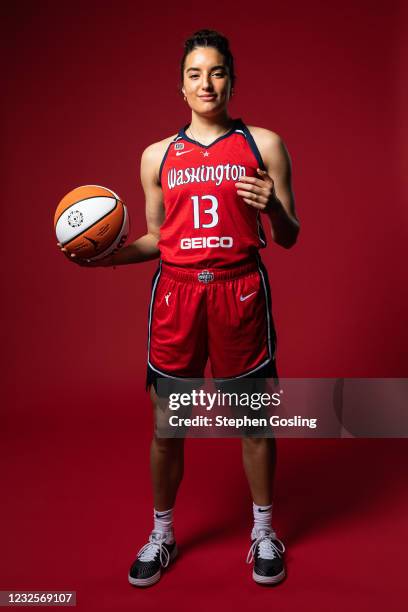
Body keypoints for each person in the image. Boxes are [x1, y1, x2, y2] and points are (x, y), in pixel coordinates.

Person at [58, 29, 300, 587]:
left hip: (239, 291)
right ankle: (162, 533)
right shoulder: (156, 156)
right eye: (195, 73)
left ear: (231, 80)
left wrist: (274, 212)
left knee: (253, 422)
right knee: (169, 426)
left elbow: (289, 235)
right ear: (181, 85)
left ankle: (264, 531)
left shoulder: (264, 144)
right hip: (177, 295)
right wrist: (106, 259)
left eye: (216, 71)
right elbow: (154, 237)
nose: (206, 82)